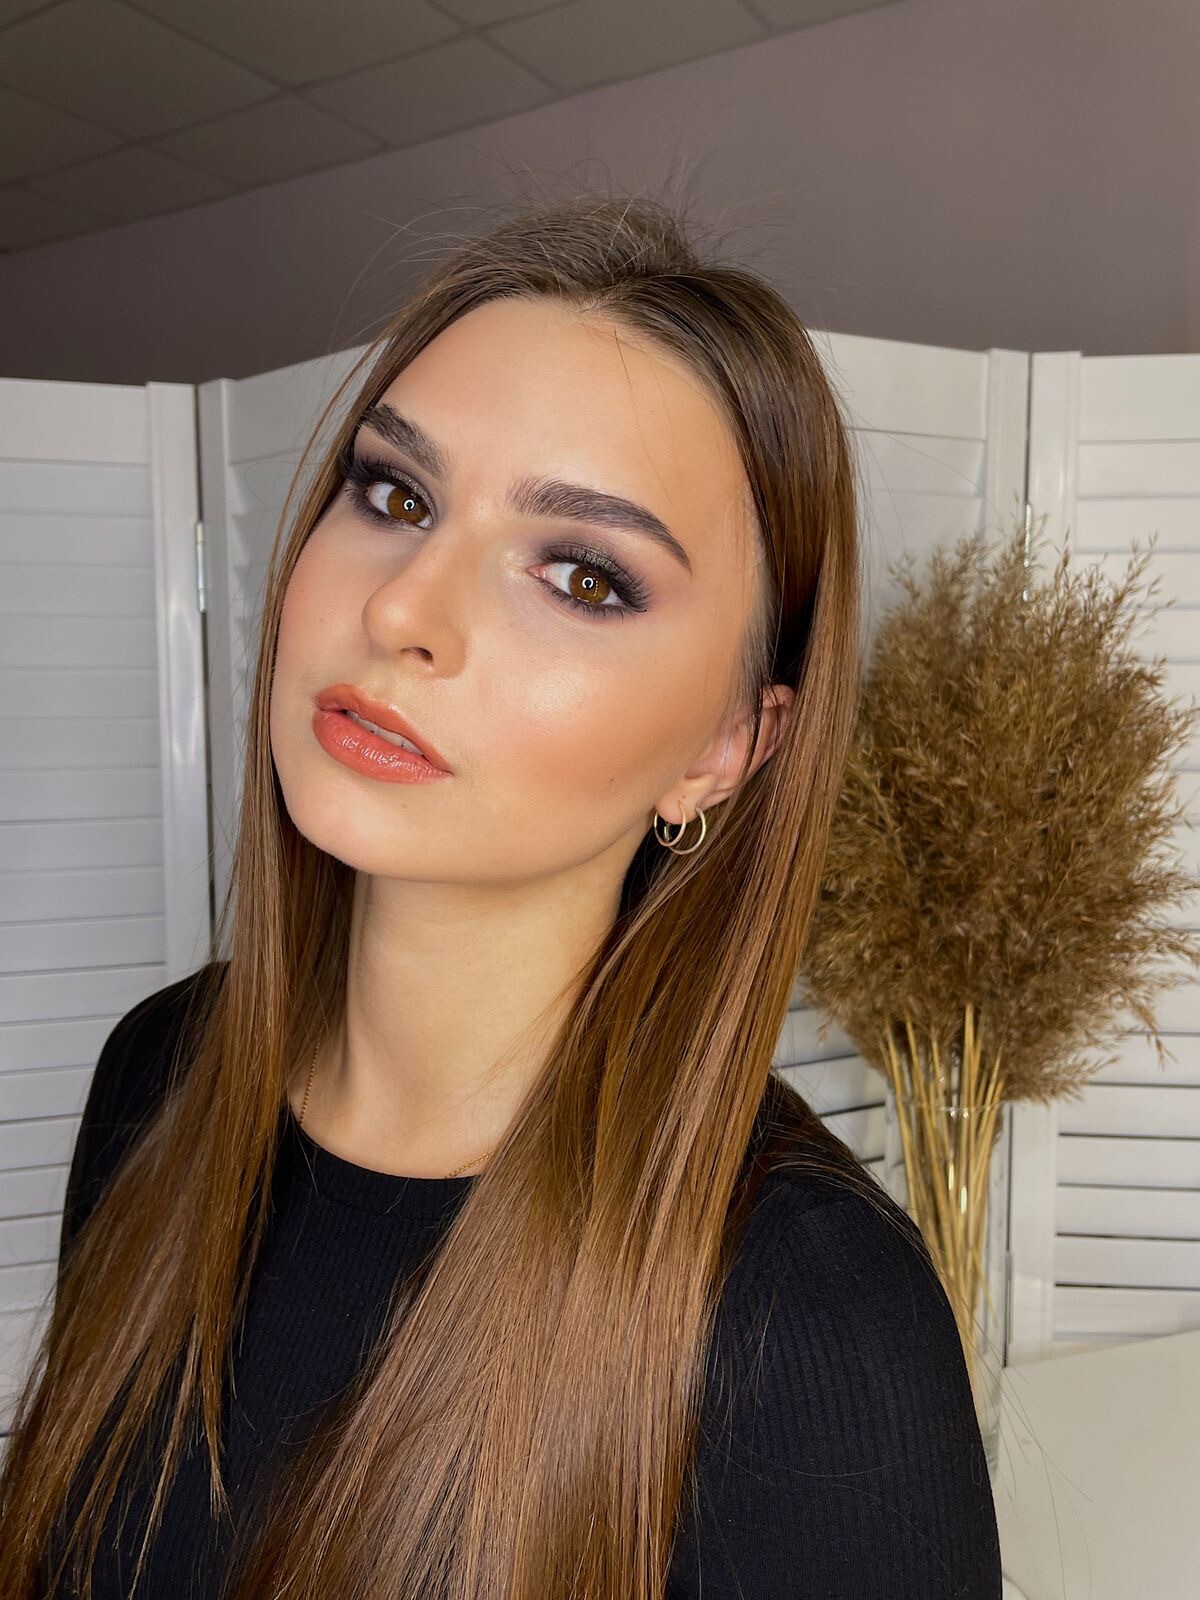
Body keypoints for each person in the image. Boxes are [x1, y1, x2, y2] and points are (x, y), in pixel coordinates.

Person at [0, 192, 1003, 1600]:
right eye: (395, 496)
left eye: (583, 576)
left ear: (729, 745)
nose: (402, 608)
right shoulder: (160, 1073)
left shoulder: (809, 1317)